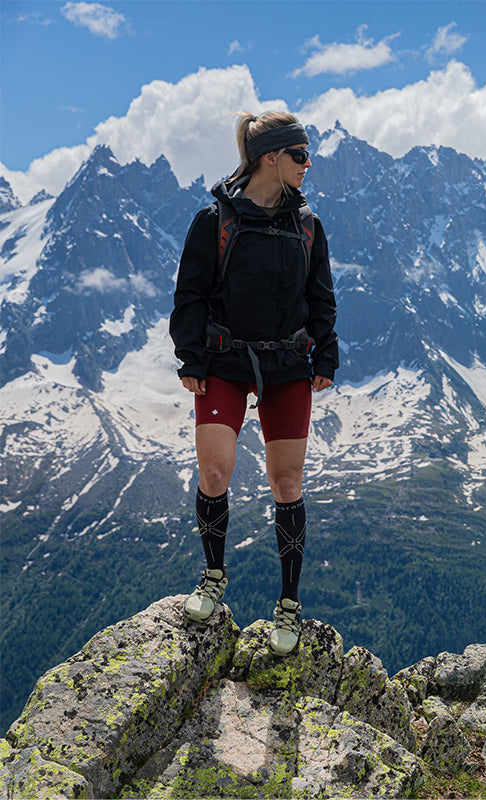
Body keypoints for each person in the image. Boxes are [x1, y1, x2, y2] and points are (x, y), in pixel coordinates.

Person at [170, 111, 338, 656]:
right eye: (300, 156)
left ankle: (288, 605)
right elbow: (190, 293)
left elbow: (321, 298)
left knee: (286, 484)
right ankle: (214, 578)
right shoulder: (212, 219)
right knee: (215, 470)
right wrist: (190, 357)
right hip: (222, 361)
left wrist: (325, 353)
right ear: (271, 157)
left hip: (287, 364)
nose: (308, 165)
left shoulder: (308, 225)